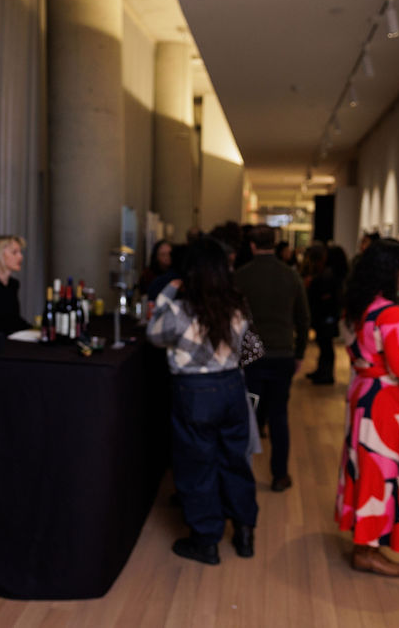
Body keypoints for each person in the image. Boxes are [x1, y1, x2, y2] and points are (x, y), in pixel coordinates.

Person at [147, 238, 258, 565]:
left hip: (194, 394)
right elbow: (251, 353)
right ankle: (244, 533)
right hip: (232, 389)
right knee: (235, 462)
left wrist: (169, 291)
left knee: (197, 468)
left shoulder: (180, 312)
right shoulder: (237, 305)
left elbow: (153, 335)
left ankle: (206, 541)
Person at [335, 238, 399, 577]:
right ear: (390, 270)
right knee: (380, 470)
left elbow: (361, 352)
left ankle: (364, 543)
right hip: (384, 401)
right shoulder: (389, 311)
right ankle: (368, 549)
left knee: (364, 465)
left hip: (363, 392)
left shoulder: (360, 305)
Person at [234, 225, 309, 492]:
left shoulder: (241, 276)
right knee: (279, 414)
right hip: (282, 356)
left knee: (249, 413)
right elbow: (302, 317)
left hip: (251, 357)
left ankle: (243, 473)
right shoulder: (290, 276)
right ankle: (280, 475)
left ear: (252, 246)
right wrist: (299, 352)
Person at [306, 244, 348, 385]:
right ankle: (322, 371)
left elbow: (324, 296)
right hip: (326, 315)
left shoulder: (328, 275)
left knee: (325, 345)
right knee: (324, 345)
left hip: (325, 316)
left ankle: (326, 374)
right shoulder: (332, 274)